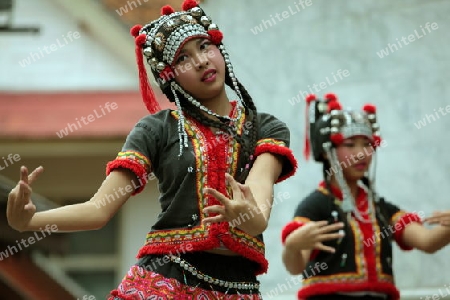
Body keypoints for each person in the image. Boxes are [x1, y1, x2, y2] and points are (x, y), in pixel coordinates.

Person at [7, 0, 298, 299]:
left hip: (239, 288)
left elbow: (259, 211)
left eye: (204, 46)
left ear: (219, 48)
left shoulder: (266, 129)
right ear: (168, 75)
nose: (200, 61)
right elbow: (98, 210)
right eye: (183, 58)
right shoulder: (156, 130)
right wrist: (29, 221)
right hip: (166, 282)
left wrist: (244, 214)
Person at [281, 93, 450, 300]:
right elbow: (295, 266)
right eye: (350, 145)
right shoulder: (315, 206)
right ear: (327, 151)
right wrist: (292, 246)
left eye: (367, 144)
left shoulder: (378, 207)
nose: (362, 153)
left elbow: (428, 241)